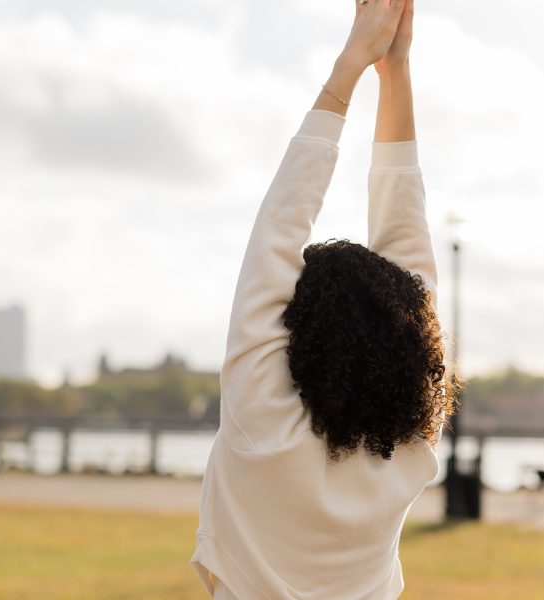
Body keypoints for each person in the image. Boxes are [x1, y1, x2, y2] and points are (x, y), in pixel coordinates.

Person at [190, 1, 455, 598]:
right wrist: (396, 71)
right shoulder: (412, 449)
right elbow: (406, 236)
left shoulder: (262, 419)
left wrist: (355, 65)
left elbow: (277, 230)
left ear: (297, 327)